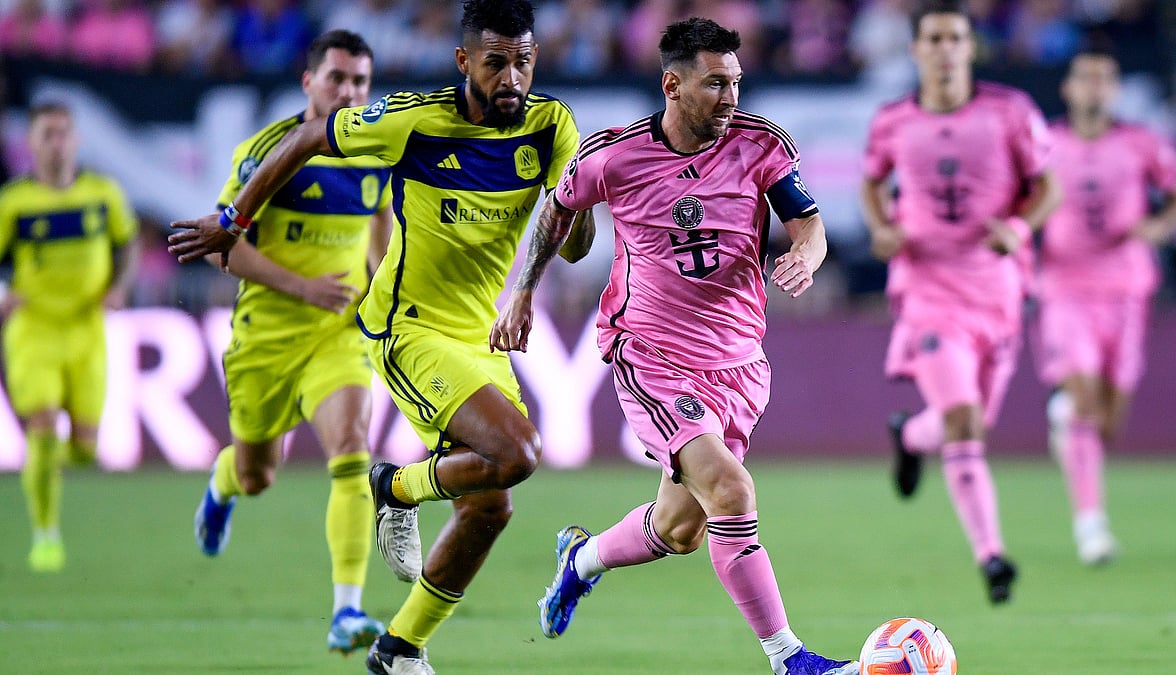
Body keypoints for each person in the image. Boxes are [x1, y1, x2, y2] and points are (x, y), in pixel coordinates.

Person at [167, 2, 580, 673]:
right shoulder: (410, 120)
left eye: (524, 62)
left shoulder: (549, 122)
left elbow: (563, 222)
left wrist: (553, 243)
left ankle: (397, 646)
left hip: (469, 334)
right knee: (518, 453)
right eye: (497, 61)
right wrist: (232, 220)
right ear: (464, 62)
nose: (512, 77)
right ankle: (395, 489)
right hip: (405, 328)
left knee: (489, 506)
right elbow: (305, 139)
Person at [490, 18, 858, 675]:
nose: (731, 97)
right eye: (716, 84)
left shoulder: (761, 145)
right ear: (673, 85)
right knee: (731, 489)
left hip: (739, 361)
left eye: (736, 82)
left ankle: (582, 558)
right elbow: (556, 209)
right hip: (650, 354)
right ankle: (791, 660)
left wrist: (807, 253)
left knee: (683, 529)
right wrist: (522, 293)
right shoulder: (615, 156)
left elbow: (809, 223)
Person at [189, 29, 395, 654]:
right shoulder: (270, 152)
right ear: (308, 82)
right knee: (259, 475)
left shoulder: (375, 152)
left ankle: (347, 611)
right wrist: (302, 287)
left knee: (354, 448)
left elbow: (380, 229)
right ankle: (223, 485)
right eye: (337, 78)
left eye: (360, 81)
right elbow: (222, 250)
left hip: (338, 333)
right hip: (267, 336)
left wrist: (385, 295)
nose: (349, 92)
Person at [861, 0, 1061, 605]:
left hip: (995, 290)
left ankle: (909, 435)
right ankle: (992, 557)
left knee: (968, 423)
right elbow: (872, 181)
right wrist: (881, 227)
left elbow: (1048, 186)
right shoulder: (893, 120)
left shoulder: (1009, 113)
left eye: (955, 39)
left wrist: (1020, 228)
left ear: (970, 48)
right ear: (916, 49)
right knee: (966, 421)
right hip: (927, 291)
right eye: (933, 39)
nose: (945, 50)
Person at [1037, 42, 1176, 565]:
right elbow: (1020, 198)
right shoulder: (1045, 144)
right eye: (1086, 78)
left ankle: (1066, 418)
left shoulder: (1142, 143)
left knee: (1107, 418)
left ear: (1116, 89)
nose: (1095, 88)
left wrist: (1160, 226)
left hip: (1127, 287)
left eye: (1105, 79)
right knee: (1082, 393)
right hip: (1065, 286)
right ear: (1069, 88)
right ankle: (1091, 526)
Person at [0, 101, 139, 572]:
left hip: (87, 330)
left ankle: (39, 470)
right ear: (31, 142)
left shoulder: (102, 193)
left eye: (63, 133)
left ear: (76, 140)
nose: (56, 143)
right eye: (47, 134)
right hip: (33, 330)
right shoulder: (14, 202)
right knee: (41, 428)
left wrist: (119, 286)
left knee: (84, 448)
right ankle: (45, 535)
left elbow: (128, 243)